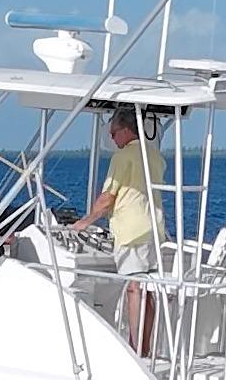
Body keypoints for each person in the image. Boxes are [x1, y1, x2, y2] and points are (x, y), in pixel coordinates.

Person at [69, 108, 168, 354]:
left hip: (131, 232)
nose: (112, 139)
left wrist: (85, 222)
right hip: (154, 230)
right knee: (147, 289)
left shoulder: (123, 157)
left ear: (125, 130)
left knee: (135, 288)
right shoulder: (154, 155)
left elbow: (107, 197)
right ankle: (145, 345)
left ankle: (136, 348)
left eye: (113, 133)